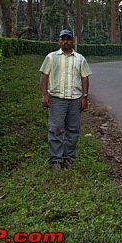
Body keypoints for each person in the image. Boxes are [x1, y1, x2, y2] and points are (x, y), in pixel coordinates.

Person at [40, 29, 92, 171]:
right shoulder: (51, 57)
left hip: (75, 99)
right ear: (59, 41)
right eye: (63, 39)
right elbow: (44, 76)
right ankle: (56, 159)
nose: (65, 41)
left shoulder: (80, 58)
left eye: (68, 39)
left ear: (72, 41)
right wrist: (45, 95)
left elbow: (85, 77)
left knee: (73, 130)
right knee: (56, 129)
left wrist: (84, 97)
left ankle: (69, 158)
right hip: (57, 99)